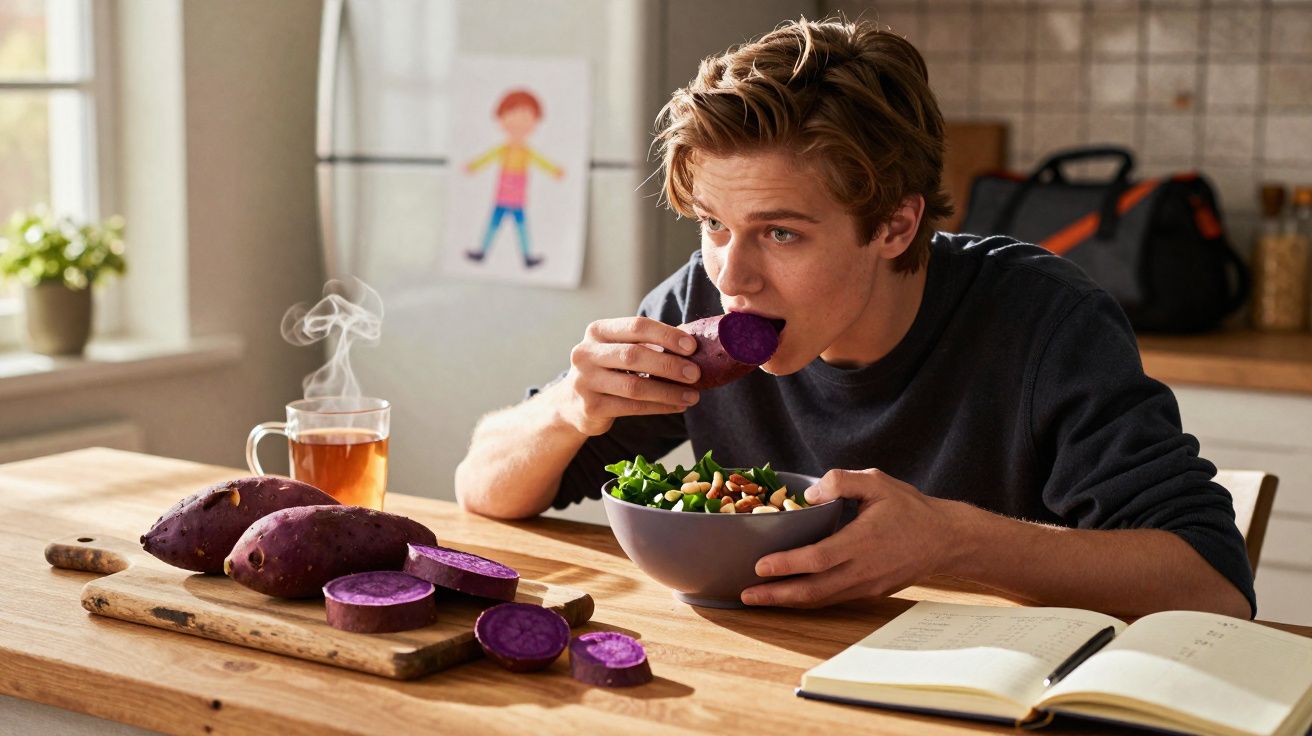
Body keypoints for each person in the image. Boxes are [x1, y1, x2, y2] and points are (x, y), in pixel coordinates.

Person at [454, 18, 1255, 619]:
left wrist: (954, 540)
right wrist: (570, 409)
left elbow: (1213, 586)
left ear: (896, 227)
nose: (732, 277)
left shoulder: (1044, 322)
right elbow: (482, 489)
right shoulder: (700, 302)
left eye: (781, 233)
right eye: (712, 225)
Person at [463, 89, 564, 268]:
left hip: (517, 198)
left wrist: (554, 170)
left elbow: (541, 161)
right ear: (501, 119)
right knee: (494, 225)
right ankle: (482, 252)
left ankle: (526, 256)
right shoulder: (504, 149)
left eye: (526, 117)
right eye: (512, 116)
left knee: (521, 228)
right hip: (502, 196)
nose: (518, 123)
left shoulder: (526, 151)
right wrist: (473, 166)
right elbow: (487, 157)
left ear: (535, 122)